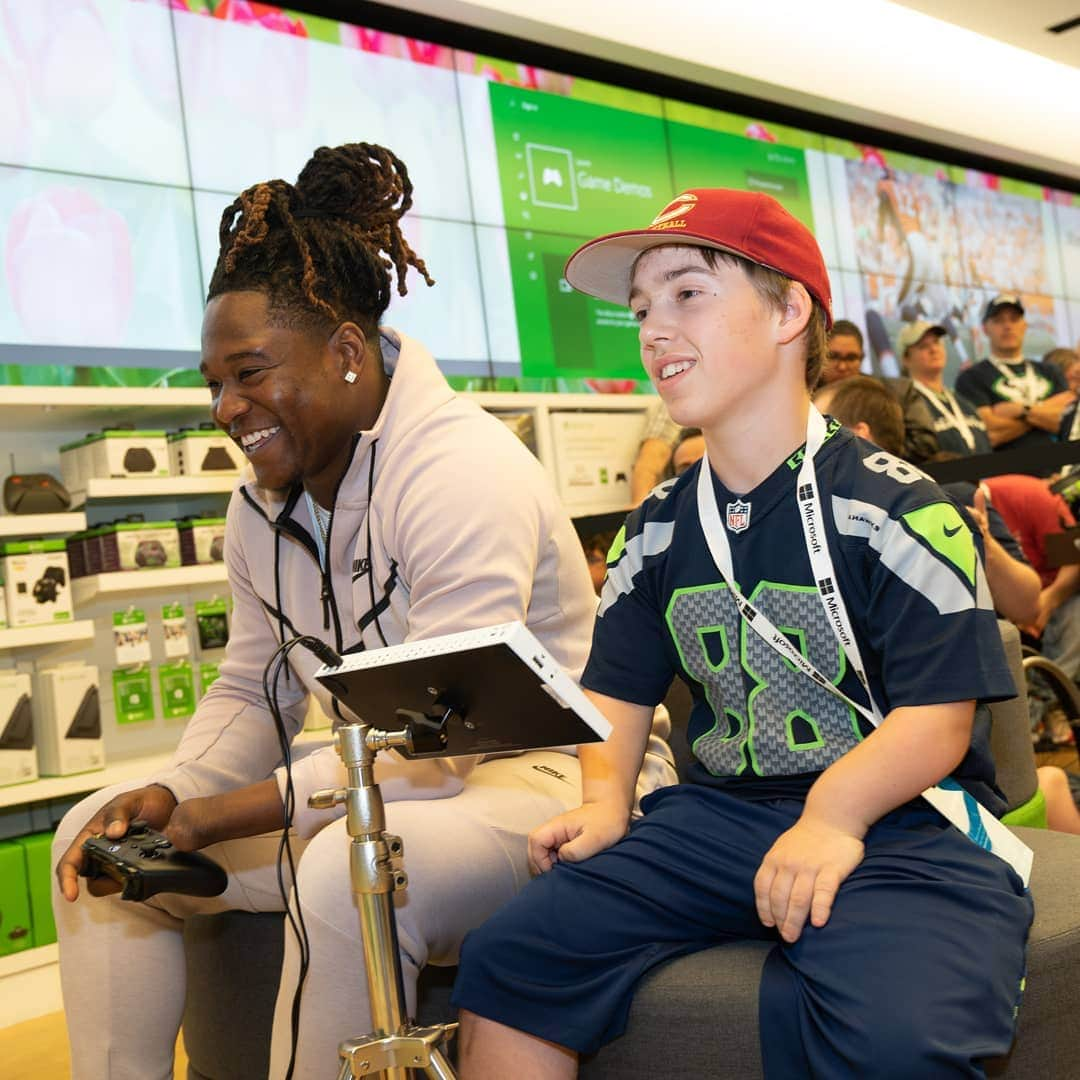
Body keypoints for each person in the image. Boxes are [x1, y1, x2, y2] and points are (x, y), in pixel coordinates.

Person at [51, 143, 675, 1080]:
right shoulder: (258, 500)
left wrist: (217, 818)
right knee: (93, 832)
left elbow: (446, 737)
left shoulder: (460, 468)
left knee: (351, 871)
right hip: (374, 789)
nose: (226, 408)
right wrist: (176, 794)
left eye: (251, 374)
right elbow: (250, 688)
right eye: (214, 382)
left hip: (553, 783)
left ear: (347, 351)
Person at [452, 187, 1033, 1078]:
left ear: (789, 310)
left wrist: (834, 815)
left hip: (901, 820)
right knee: (509, 958)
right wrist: (606, 803)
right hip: (718, 817)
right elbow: (614, 691)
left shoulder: (898, 507)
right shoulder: (653, 528)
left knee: (898, 1040)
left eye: (689, 294)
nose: (652, 330)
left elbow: (938, 722)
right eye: (642, 308)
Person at [818, 375, 1038, 626]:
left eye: (818, 428)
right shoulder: (819, 509)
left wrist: (984, 546)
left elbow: (1028, 607)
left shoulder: (950, 497)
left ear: (858, 436)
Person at [955, 294, 1075, 455]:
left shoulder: (1050, 371)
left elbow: (1069, 422)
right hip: (1008, 473)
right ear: (985, 329)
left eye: (1014, 319)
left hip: (1062, 467)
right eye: (998, 320)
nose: (1007, 326)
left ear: (1024, 325)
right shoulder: (971, 377)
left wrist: (1021, 411)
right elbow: (989, 432)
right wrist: (1044, 413)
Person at [897, 320, 991, 456]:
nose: (933, 349)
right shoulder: (904, 405)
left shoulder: (964, 404)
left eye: (936, 342)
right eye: (923, 346)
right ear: (906, 359)